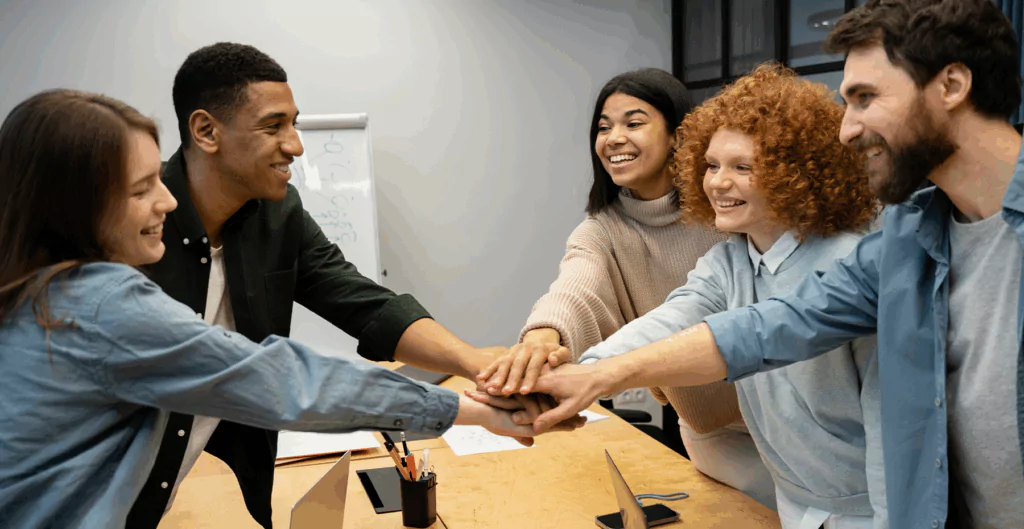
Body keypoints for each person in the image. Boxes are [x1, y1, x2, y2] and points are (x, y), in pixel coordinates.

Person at [516, 1, 1024, 527]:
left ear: (952, 86)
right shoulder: (910, 237)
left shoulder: (876, 243)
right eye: (712, 165)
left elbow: (888, 431)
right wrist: (588, 375)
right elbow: (763, 329)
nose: (847, 131)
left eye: (866, 98)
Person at [0, 89, 555, 529]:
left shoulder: (36, 288)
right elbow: (281, 381)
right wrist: (476, 412)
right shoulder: (101, 303)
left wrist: (478, 367)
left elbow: (360, 300)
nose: (164, 201)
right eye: (142, 188)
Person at [138, 42, 578, 527]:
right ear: (206, 131)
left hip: (206, 473)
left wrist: (479, 367)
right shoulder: (128, 233)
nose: (296, 146)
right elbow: (290, 385)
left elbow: (364, 305)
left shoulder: (279, 216)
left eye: (294, 123)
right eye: (273, 127)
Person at [482, 63, 886, 528]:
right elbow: (667, 319)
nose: (717, 182)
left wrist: (591, 379)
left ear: (793, 174)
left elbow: (893, 430)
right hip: (788, 491)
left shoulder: (847, 265)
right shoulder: (730, 260)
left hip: (867, 509)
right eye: (712, 165)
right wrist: (568, 373)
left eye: (742, 168)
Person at [475, 68, 775, 506]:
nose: (613, 138)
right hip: (713, 431)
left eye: (633, 123)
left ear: (679, 135)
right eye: (603, 126)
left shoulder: (728, 210)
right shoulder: (603, 230)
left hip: (786, 415)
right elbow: (577, 288)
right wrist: (543, 339)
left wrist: (593, 374)